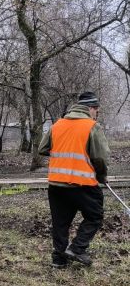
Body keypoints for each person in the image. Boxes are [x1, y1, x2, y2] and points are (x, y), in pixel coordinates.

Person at [39, 91, 109, 268]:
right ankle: (77, 248)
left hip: (56, 184)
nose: (97, 114)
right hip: (83, 184)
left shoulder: (57, 125)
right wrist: (101, 176)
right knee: (94, 216)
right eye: (97, 111)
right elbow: (100, 158)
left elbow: (43, 148)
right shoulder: (92, 126)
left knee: (60, 222)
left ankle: (59, 259)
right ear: (91, 108)